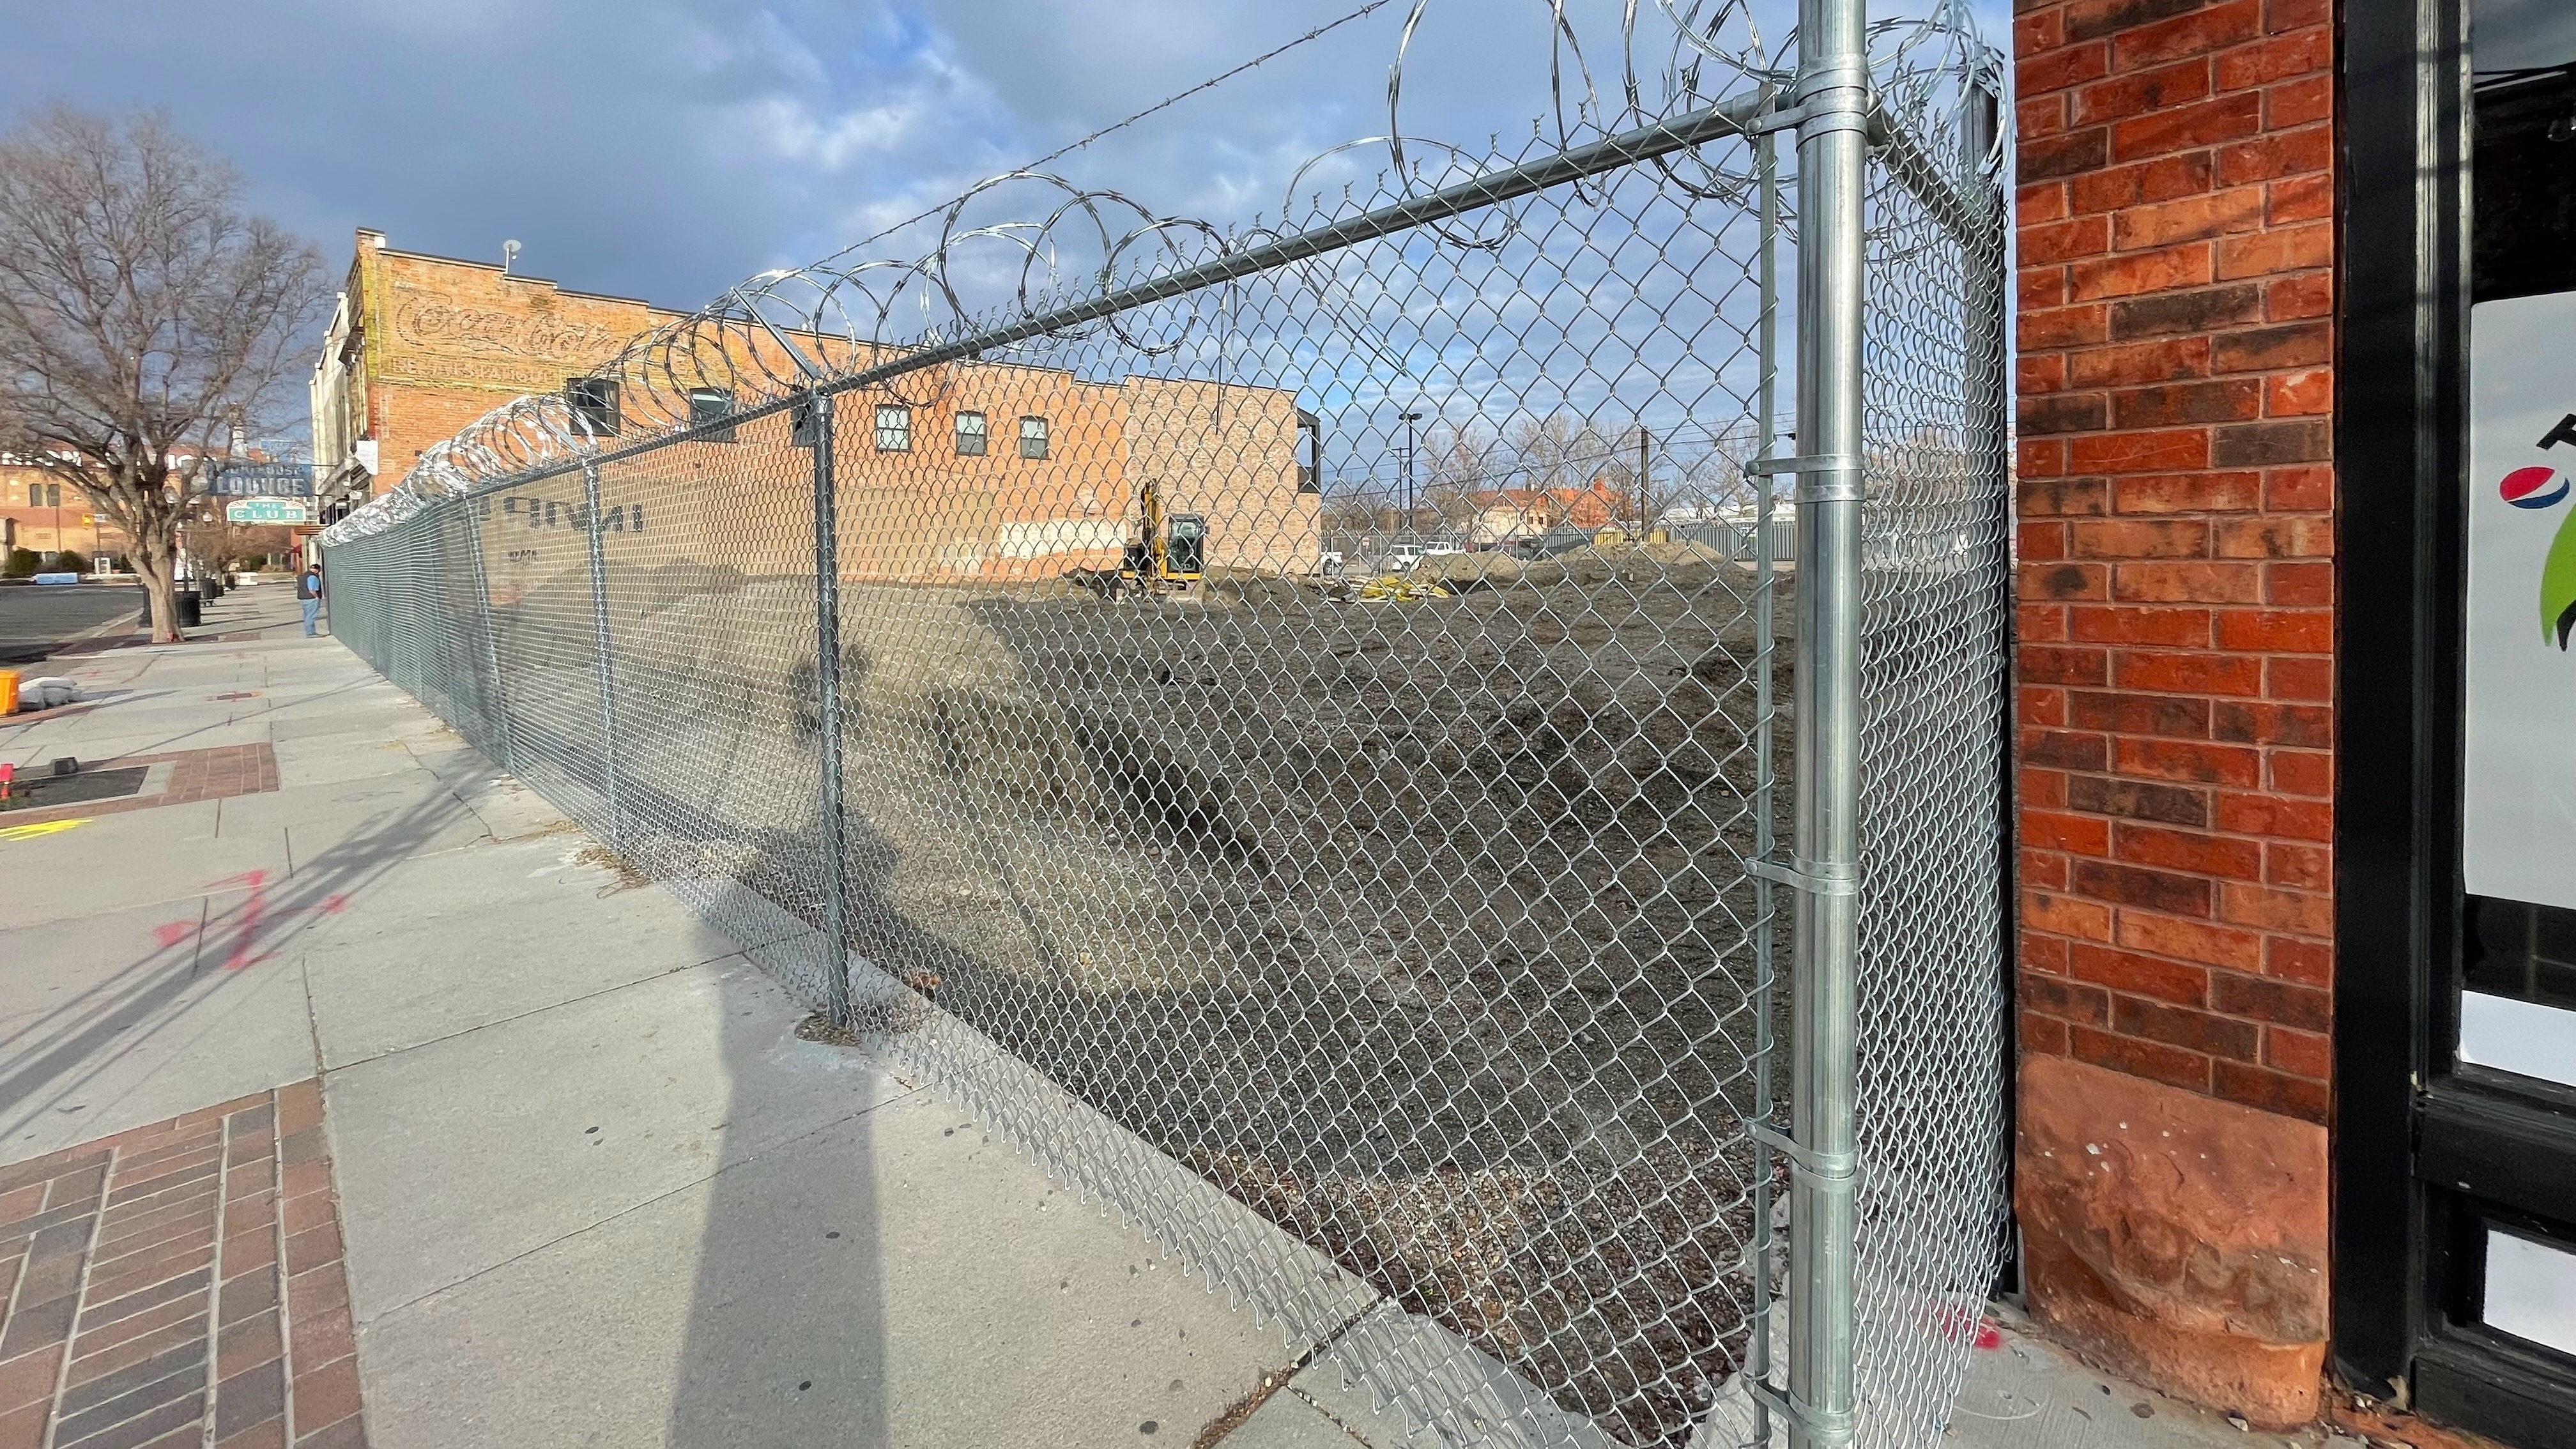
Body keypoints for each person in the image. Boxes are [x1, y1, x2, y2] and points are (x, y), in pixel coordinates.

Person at [296, 562, 323, 636]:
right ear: (317, 570)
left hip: (303, 598)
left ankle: (310, 632)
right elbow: (312, 590)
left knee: (307, 616)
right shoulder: (313, 577)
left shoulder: (303, 576)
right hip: (311, 599)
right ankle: (310, 633)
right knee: (311, 616)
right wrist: (317, 597)